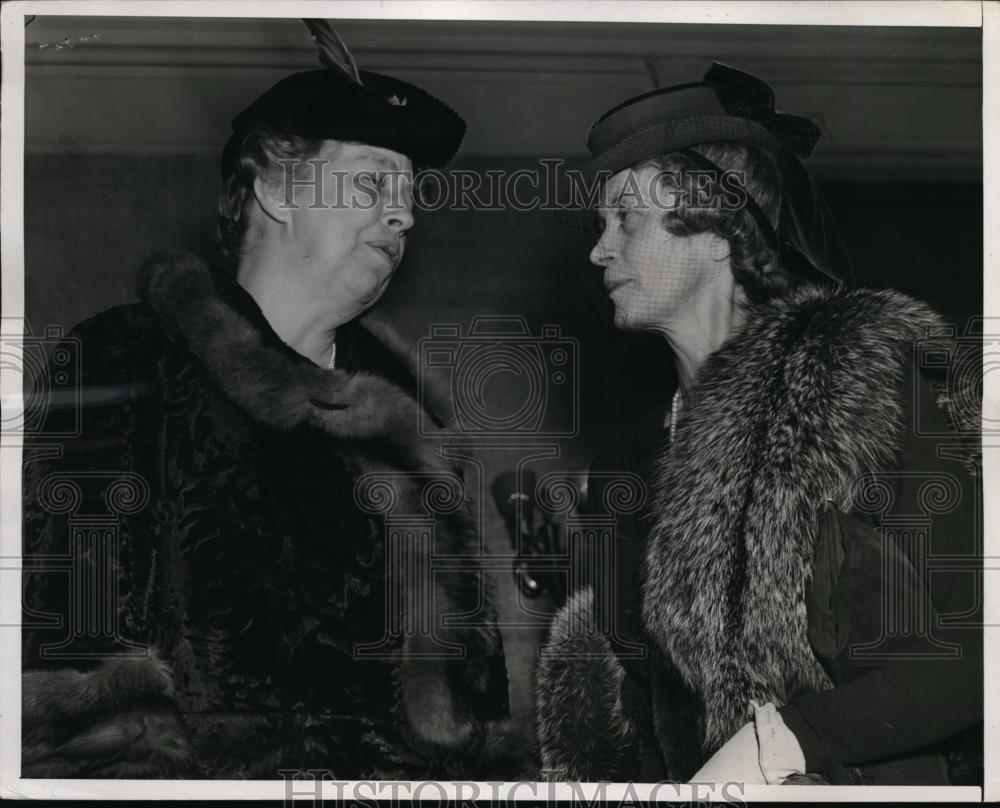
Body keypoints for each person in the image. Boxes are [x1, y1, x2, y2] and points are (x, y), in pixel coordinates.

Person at [21, 21, 516, 779]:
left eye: (411, 194)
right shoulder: (129, 356)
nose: (406, 214)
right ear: (277, 191)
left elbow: (475, 700)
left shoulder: (418, 428)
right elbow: (74, 649)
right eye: (373, 182)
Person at [535, 63, 982, 785]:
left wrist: (784, 741)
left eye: (625, 217)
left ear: (715, 231)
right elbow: (647, 713)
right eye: (600, 224)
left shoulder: (867, 384)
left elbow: (980, 650)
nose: (599, 249)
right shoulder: (626, 465)